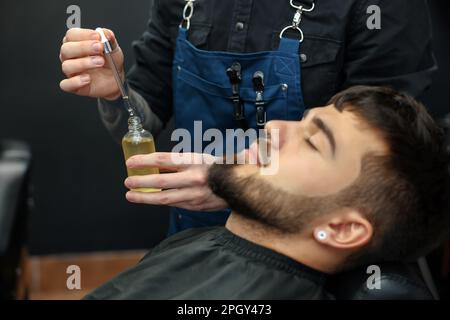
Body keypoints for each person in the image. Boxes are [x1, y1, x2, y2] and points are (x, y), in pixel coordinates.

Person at [59, 0, 437, 235]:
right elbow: (145, 119)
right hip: (193, 236)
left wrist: (238, 185)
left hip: (304, 246)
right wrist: (115, 91)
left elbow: (386, 169)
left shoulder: (384, 7)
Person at [84, 86, 450, 299]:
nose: (274, 127)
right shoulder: (201, 243)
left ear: (341, 229)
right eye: (302, 120)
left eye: (313, 142)